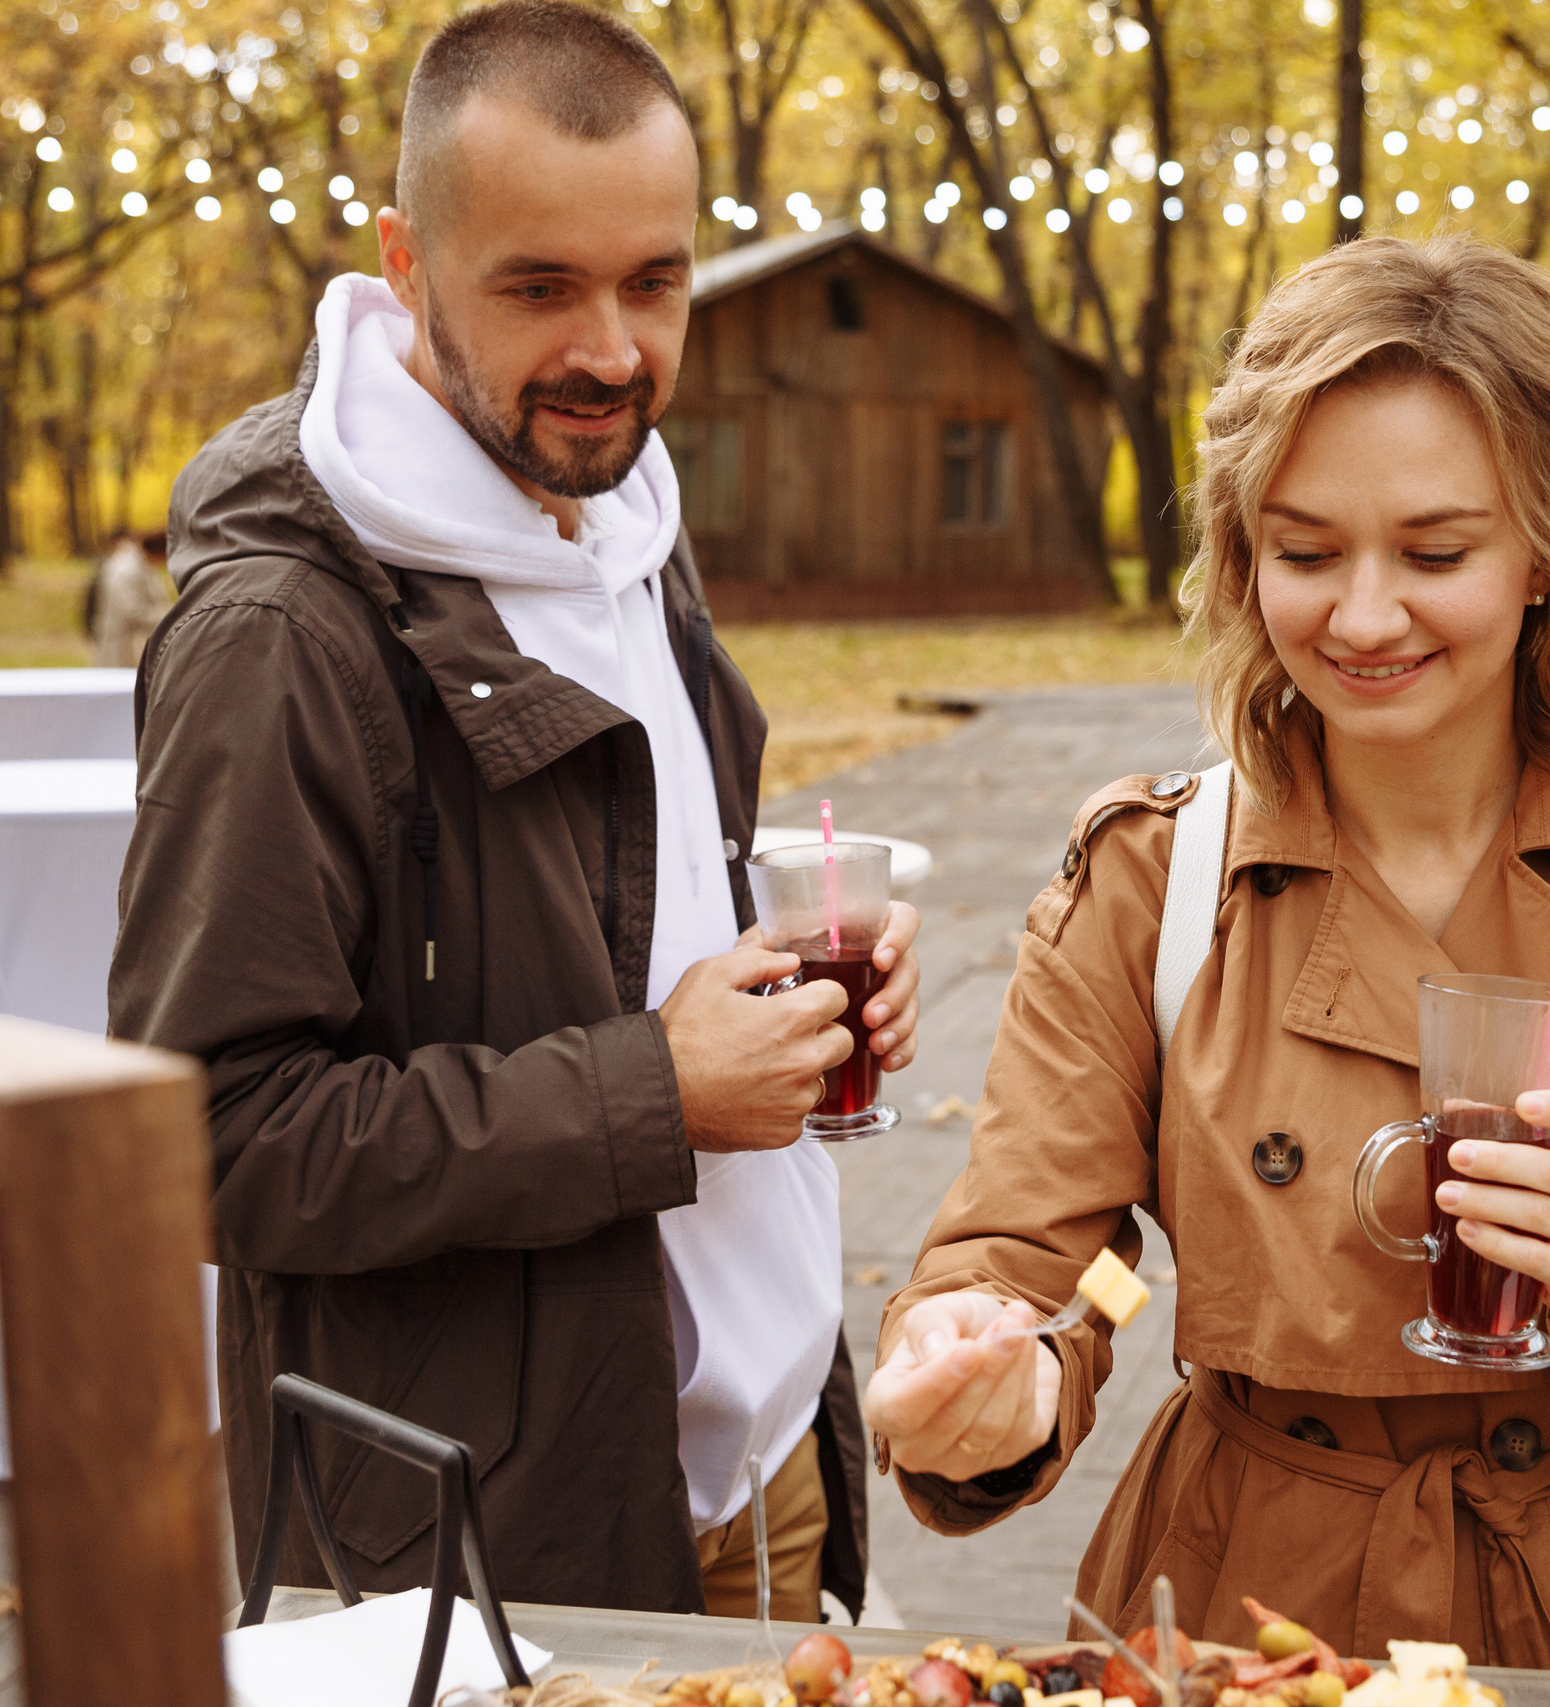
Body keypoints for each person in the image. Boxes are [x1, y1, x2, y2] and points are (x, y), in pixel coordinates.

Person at [863, 237, 1550, 1670]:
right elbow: (1043, 1257)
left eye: (1437, 551)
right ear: (1241, 555)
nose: (1363, 616)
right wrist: (996, 1366)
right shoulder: (1156, 876)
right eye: (1305, 550)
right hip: (1228, 1610)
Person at [110, 0, 919, 1621]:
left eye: (655, 280)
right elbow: (206, 1144)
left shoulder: (626, 511)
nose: (613, 349)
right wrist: (653, 1090)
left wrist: (797, 990)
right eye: (541, 286)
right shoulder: (281, 636)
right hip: (494, 1548)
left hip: (763, 1472)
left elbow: (605, 932)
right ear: (409, 267)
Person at [90, 529, 171, 667]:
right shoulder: (125, 569)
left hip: (134, 640)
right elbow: (132, 611)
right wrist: (168, 616)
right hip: (122, 643)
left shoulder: (141, 566)